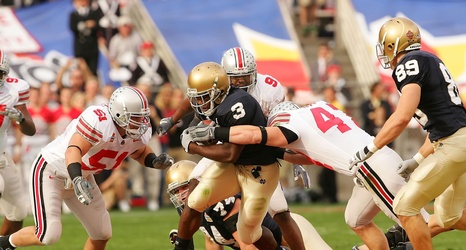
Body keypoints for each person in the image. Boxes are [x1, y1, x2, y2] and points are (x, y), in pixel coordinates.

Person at [185, 100, 439, 250]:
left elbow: (257, 136)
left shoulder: (287, 121)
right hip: (370, 163)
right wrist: (283, 155)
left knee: (423, 222)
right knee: (356, 219)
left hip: (371, 167)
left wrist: (214, 135)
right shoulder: (320, 108)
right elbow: (312, 153)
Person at [159, 47, 307, 250]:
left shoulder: (261, 93)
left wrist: (294, 152)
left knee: (279, 212)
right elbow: (195, 100)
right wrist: (174, 120)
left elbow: (284, 122)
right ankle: (185, 241)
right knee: (194, 189)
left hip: (259, 156)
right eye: (234, 78)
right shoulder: (216, 94)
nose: (239, 83)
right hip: (227, 146)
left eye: (244, 78)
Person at [0, 86, 174, 250]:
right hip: (52, 170)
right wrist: (76, 179)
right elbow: (73, 150)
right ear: (120, 114)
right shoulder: (100, 121)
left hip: (81, 176)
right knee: (48, 234)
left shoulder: (135, 131)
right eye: (136, 117)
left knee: (102, 233)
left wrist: (155, 161)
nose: (141, 122)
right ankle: (3, 243)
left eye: (142, 116)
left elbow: (140, 152)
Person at [348, 16, 466, 250]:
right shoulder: (429, 59)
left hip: (453, 145)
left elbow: (401, 116)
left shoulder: (408, 64)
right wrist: (417, 159)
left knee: (405, 206)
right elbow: (441, 122)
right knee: (449, 217)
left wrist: (371, 147)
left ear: (393, 44)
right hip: (457, 141)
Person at [172, 61, 282, 250]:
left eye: (203, 97)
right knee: (194, 200)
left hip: (259, 170)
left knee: (249, 234)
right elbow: (191, 104)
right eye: (197, 98)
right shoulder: (220, 100)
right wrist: (174, 120)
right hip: (234, 166)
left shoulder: (238, 105)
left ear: (217, 92)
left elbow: (230, 153)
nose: (199, 103)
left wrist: (193, 147)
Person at [166, 160, 303, 250]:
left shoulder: (219, 203)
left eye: (184, 188)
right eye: (175, 191)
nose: (181, 195)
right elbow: (212, 241)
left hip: (284, 243)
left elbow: (249, 245)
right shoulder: (193, 209)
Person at [0, 51, 36, 236]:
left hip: (2, 156)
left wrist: (20, 118)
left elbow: (31, 129)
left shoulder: (15, 89)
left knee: (18, 213)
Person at [69, 0, 102, 76]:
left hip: (92, 47)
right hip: (80, 48)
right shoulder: (74, 14)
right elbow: (72, 27)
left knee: (93, 70)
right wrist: (85, 24)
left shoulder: (94, 12)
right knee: (81, 70)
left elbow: (97, 26)